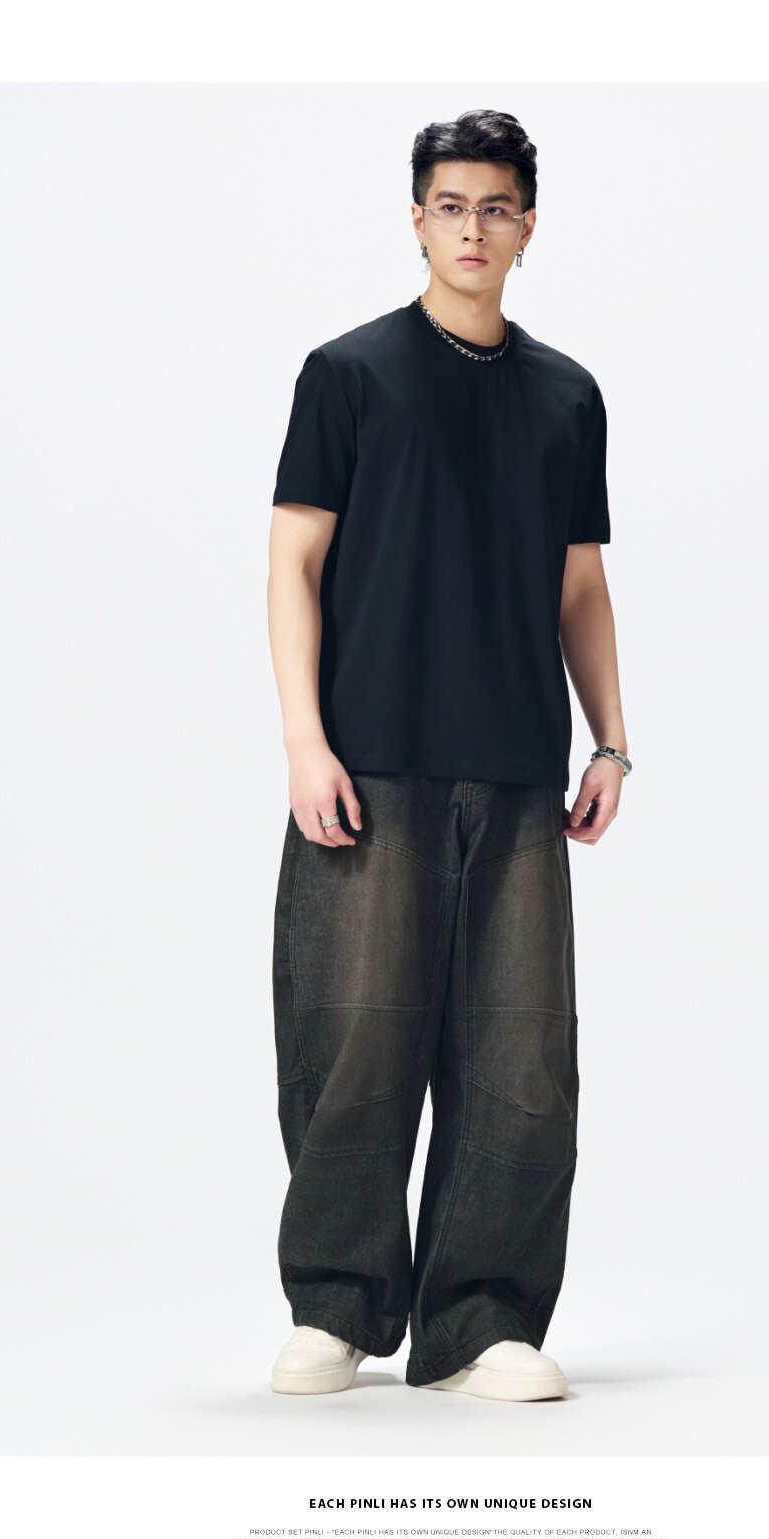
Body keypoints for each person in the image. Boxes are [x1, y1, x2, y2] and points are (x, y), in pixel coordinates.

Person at [266, 108, 630, 1403]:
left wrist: (612, 741)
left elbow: (578, 585)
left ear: (529, 226)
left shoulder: (566, 396)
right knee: (353, 1044)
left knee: (520, 1062)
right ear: (417, 219)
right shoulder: (348, 374)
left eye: (496, 208)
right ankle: (336, 1308)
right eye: (451, 205)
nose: (473, 229)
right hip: (371, 764)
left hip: (521, 771)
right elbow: (293, 563)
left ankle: (481, 1324)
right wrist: (306, 743)